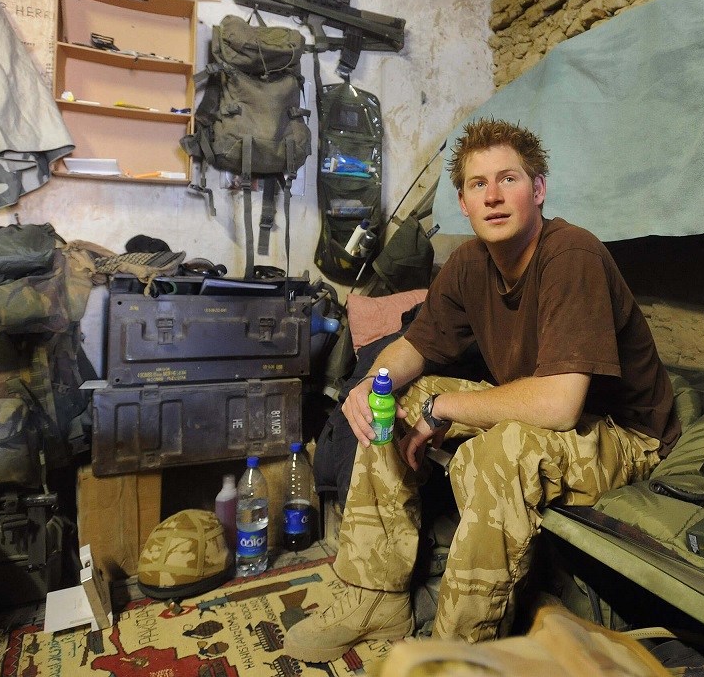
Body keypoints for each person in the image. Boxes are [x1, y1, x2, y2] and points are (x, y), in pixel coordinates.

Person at [285, 118, 680, 662]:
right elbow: (415, 347)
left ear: (538, 190)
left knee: (499, 454)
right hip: (552, 412)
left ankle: (457, 656)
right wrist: (373, 383)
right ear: (463, 202)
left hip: (624, 436)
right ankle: (375, 593)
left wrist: (443, 407)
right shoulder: (471, 262)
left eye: (509, 179)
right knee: (392, 402)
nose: (493, 196)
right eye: (478, 184)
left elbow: (560, 405)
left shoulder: (572, 254)